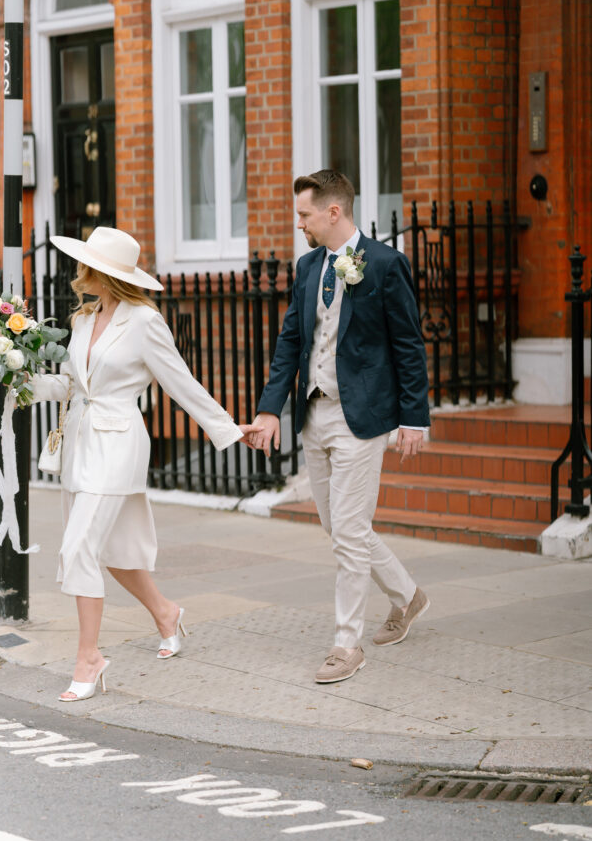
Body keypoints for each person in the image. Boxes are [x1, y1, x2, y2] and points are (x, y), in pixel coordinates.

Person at [29, 227, 258, 702]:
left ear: (103, 271)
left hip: (118, 447)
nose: (78, 269)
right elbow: (72, 385)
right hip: (80, 446)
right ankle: (165, 613)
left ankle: (89, 657)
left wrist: (230, 429)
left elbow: (181, 383)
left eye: (87, 261)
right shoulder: (84, 318)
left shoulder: (144, 321)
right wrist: (18, 379)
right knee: (109, 552)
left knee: (77, 550)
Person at [250, 170, 431, 684]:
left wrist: (413, 418)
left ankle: (346, 643)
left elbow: (408, 346)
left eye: (305, 214)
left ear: (334, 212)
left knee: (349, 532)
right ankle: (408, 595)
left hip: (363, 417)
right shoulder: (308, 267)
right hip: (314, 413)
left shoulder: (385, 264)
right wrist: (270, 409)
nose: (299, 223)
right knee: (337, 527)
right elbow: (291, 342)